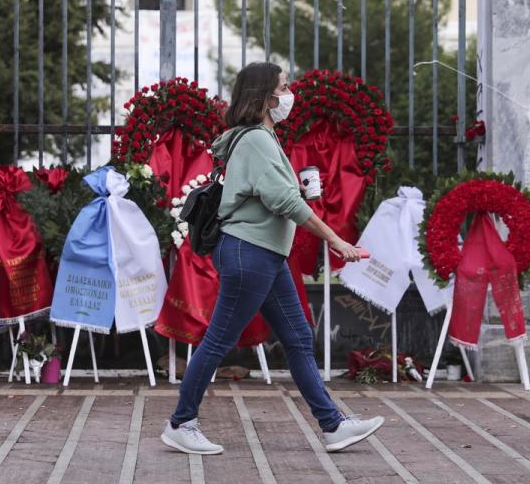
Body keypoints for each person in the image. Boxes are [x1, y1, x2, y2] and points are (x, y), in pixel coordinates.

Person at [161, 62, 384, 455]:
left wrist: (291, 187)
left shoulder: (259, 137)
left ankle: (332, 426)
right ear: (264, 96)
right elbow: (283, 201)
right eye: (283, 88)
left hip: (264, 253)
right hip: (251, 253)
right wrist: (335, 239)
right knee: (217, 341)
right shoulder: (257, 140)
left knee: (298, 338)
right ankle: (181, 423)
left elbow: (269, 191)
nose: (288, 94)